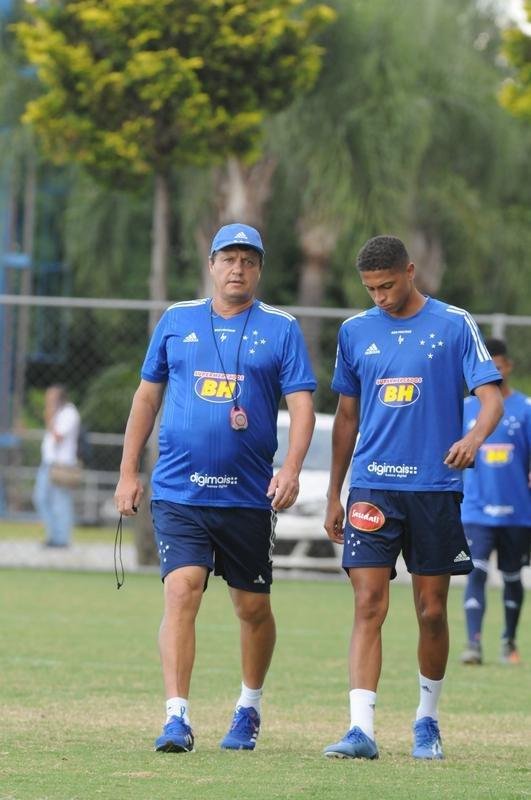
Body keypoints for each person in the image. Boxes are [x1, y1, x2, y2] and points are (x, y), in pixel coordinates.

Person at [114, 223, 316, 754]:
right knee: (182, 589)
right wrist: (128, 471)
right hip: (180, 491)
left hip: (248, 497)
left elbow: (300, 407)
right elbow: (145, 399)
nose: (238, 269)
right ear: (211, 264)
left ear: (259, 270)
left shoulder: (282, 328)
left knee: (252, 608)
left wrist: (292, 467)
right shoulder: (177, 321)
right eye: (229, 258)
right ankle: (176, 717)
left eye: (248, 261)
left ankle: (249, 706)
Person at [323, 235, 503, 761]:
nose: (379, 296)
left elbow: (490, 399)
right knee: (368, 604)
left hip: (434, 488)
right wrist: (335, 493)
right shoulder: (354, 332)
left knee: (430, 611)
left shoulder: (454, 324)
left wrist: (472, 439)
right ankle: (361, 730)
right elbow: (347, 418)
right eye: (370, 289)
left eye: (387, 285)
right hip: (374, 488)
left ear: (410, 270)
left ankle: (427, 719)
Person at [460, 338, 531, 666]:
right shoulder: (466, 408)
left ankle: (508, 640)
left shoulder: (525, 410)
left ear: (508, 367)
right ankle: (473, 644)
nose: (494, 373)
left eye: (499, 367)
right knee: (475, 572)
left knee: (513, 577)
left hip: (517, 513)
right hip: (475, 510)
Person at [32, 384, 81, 548]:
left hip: (62, 466)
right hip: (49, 463)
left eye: (51, 397)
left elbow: (58, 436)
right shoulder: (59, 413)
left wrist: (50, 413)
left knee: (61, 502)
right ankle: (53, 535)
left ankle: (61, 539)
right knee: (41, 498)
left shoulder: (69, 413)